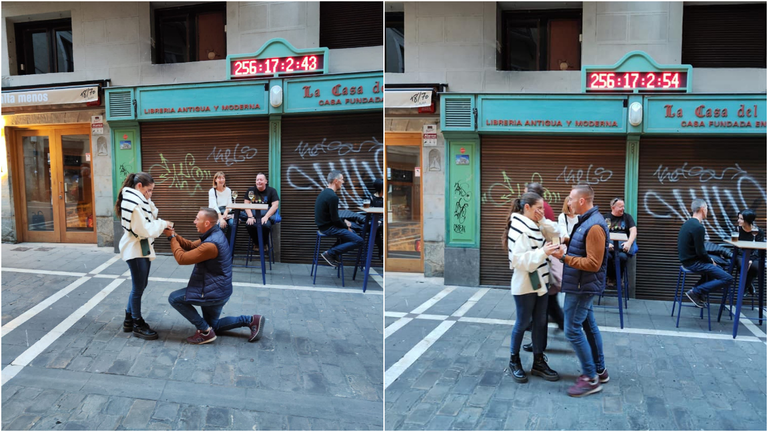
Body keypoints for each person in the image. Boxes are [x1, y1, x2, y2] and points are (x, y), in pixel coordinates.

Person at [165, 208, 265, 344]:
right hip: (219, 289)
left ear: (207, 223)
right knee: (215, 326)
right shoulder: (214, 234)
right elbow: (189, 246)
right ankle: (251, 320)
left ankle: (205, 332)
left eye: (197, 219)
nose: (194, 222)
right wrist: (173, 234)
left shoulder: (211, 244)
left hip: (213, 292)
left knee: (174, 298)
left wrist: (171, 237)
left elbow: (182, 258)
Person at [504, 192, 563, 383]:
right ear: (526, 207)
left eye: (542, 208)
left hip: (541, 282)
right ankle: (514, 361)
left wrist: (543, 219)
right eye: (538, 208)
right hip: (525, 284)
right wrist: (543, 252)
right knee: (522, 323)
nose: (541, 211)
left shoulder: (536, 223)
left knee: (540, 322)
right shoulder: (519, 228)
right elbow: (518, 261)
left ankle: (538, 361)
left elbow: (557, 233)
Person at [561, 184, 610, 397]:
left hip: (582, 287)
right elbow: (584, 248)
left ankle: (591, 379)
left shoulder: (595, 226)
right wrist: (567, 243)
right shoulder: (587, 222)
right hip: (581, 284)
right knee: (588, 326)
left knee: (572, 328)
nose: (568, 202)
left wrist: (563, 257)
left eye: (571, 198)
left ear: (581, 201)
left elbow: (593, 263)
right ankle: (600, 370)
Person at [115, 172, 171, 340]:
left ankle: (128, 320)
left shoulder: (138, 199)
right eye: (149, 190)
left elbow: (150, 216)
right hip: (135, 249)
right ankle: (137, 323)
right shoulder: (133, 202)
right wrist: (163, 224)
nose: (150, 193)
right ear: (139, 186)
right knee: (138, 287)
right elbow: (143, 229)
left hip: (140, 248)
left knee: (140, 285)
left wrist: (148, 201)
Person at [678, 199, 734, 309]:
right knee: (728, 278)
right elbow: (701, 251)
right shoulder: (698, 227)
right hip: (693, 263)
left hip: (687, 260)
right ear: (703, 209)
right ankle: (696, 292)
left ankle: (697, 293)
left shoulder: (687, 224)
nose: (708, 211)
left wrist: (710, 260)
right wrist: (710, 261)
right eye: (707, 209)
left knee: (717, 267)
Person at [315, 170, 364, 267]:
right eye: (342, 179)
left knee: (352, 233)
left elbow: (333, 216)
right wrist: (346, 226)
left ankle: (333, 253)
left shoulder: (324, 193)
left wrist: (344, 223)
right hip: (328, 228)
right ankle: (330, 253)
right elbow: (335, 220)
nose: (343, 182)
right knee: (359, 240)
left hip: (323, 226)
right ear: (336, 181)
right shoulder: (333, 197)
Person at [604, 198, 638, 282]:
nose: (622, 208)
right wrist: (606, 243)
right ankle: (611, 278)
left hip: (622, 248)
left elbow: (633, 231)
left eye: (623, 206)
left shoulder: (627, 217)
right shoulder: (605, 218)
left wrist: (629, 243)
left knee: (622, 257)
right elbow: (600, 233)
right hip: (610, 247)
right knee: (606, 257)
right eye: (620, 207)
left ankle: (618, 278)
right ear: (613, 207)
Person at [244, 173, 280, 250]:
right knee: (249, 224)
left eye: (261, 180)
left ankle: (264, 244)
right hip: (253, 215)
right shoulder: (251, 191)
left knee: (265, 225)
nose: (259, 181)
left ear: (266, 181)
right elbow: (246, 204)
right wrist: (250, 216)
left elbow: (275, 205)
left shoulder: (272, 191)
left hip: (265, 216)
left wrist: (266, 217)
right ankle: (256, 243)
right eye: (257, 180)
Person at [736, 209, 764, 295]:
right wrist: (746, 258)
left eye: (741, 219)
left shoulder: (758, 232)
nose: (738, 220)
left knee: (756, 267)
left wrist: (750, 259)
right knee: (742, 265)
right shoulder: (738, 229)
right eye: (738, 218)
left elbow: (759, 248)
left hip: (754, 256)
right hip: (741, 255)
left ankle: (745, 287)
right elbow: (737, 246)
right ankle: (748, 285)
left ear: (748, 220)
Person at [208, 171, 233, 238]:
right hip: (216, 214)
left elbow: (230, 203)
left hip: (226, 213)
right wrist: (221, 218)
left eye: (223, 178)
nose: (221, 180)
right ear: (215, 180)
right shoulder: (212, 191)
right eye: (219, 178)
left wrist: (226, 212)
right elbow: (214, 206)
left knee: (233, 224)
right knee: (221, 225)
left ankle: (229, 244)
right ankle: (220, 244)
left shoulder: (228, 190)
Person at [370, 178, 384, 260]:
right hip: (375, 220)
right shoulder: (372, 198)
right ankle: (381, 249)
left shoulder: (386, 197)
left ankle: (383, 251)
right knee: (374, 230)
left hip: (383, 221)